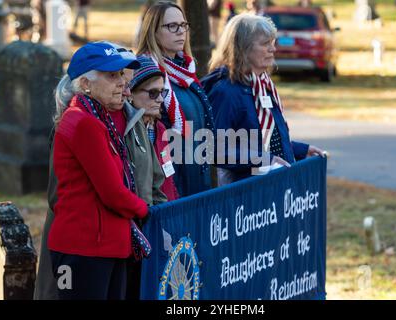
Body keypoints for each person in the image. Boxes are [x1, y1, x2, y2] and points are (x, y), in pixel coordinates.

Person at [34, 42, 168, 300]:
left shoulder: (99, 119)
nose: (122, 83)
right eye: (111, 76)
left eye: (121, 75)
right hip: (85, 250)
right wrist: (146, 211)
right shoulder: (83, 122)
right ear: (85, 84)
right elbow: (113, 193)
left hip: (107, 247)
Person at [201, 13, 324, 186]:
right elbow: (215, 149)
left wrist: (300, 150)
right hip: (247, 195)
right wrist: (263, 159)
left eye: (272, 43)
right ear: (243, 48)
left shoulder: (261, 84)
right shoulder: (225, 92)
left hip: (274, 187)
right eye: (265, 44)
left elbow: (265, 139)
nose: (273, 49)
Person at [136, 1, 216, 197]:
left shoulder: (186, 71)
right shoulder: (144, 71)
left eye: (183, 25)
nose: (180, 31)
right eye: (172, 26)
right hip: (171, 182)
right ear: (153, 31)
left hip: (199, 173)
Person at [129, 55, 179, 201]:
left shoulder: (160, 128)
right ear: (131, 93)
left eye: (162, 92)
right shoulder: (124, 132)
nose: (160, 99)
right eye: (153, 93)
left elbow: (169, 176)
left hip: (166, 213)